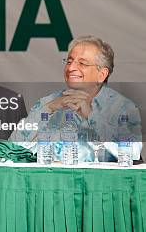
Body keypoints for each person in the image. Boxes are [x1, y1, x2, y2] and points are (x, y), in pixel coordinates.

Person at [11, 36, 142, 162]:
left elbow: (133, 153)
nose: (71, 68)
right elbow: (13, 147)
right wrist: (48, 108)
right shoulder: (48, 102)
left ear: (101, 74)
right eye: (69, 61)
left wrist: (91, 115)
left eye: (82, 63)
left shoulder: (123, 108)